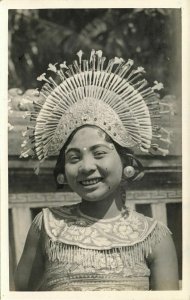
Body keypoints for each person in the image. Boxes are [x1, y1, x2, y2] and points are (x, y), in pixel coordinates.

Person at [14, 50, 179, 291]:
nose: (87, 166)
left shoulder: (155, 237)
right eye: (73, 157)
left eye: (100, 153)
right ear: (62, 172)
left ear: (126, 163)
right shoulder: (46, 227)